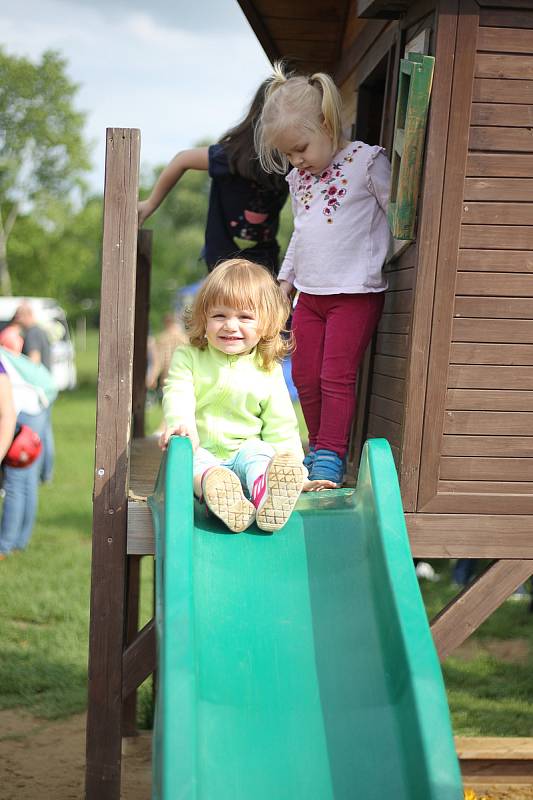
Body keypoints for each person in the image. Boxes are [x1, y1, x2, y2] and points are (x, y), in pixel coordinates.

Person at [255, 64, 391, 486]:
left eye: (300, 148)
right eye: (288, 154)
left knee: (336, 374)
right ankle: (317, 448)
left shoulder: (367, 161)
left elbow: (401, 217)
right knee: (304, 374)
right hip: (309, 296)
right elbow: (303, 232)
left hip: (355, 291)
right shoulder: (300, 179)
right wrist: (285, 282)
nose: (296, 161)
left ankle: (331, 452)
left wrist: (393, 258)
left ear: (328, 124)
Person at [160, 258, 335, 533]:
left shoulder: (266, 369)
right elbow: (177, 392)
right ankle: (219, 493)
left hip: (244, 450)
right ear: (203, 317)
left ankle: (268, 497)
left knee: (261, 454)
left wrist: (298, 474)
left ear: (265, 323)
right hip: (202, 449)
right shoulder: (189, 357)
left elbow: (282, 426)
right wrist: (182, 425)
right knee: (193, 464)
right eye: (219, 316)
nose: (230, 326)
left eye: (244, 317)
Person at [138, 80, 289, 275]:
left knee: (261, 304)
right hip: (223, 258)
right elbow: (182, 159)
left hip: (263, 259)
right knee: (226, 304)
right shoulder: (231, 155)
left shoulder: (292, 159)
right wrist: (151, 203)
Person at [0, 350, 48, 558]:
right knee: (27, 481)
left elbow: (7, 415)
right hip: (36, 407)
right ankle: (19, 542)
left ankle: (5, 545)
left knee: (16, 482)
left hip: (23, 412)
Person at [14, 302, 55, 483]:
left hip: (37, 392)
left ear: (26, 315)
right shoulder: (40, 331)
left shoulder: (31, 333)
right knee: (45, 433)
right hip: (47, 388)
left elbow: (34, 361)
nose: (16, 320)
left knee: (38, 435)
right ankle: (45, 472)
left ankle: (40, 472)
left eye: (18, 316)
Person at [146, 312, 188, 397]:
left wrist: (152, 378)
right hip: (186, 377)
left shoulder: (162, 339)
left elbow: (157, 361)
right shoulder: (187, 340)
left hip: (168, 378)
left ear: (166, 323)